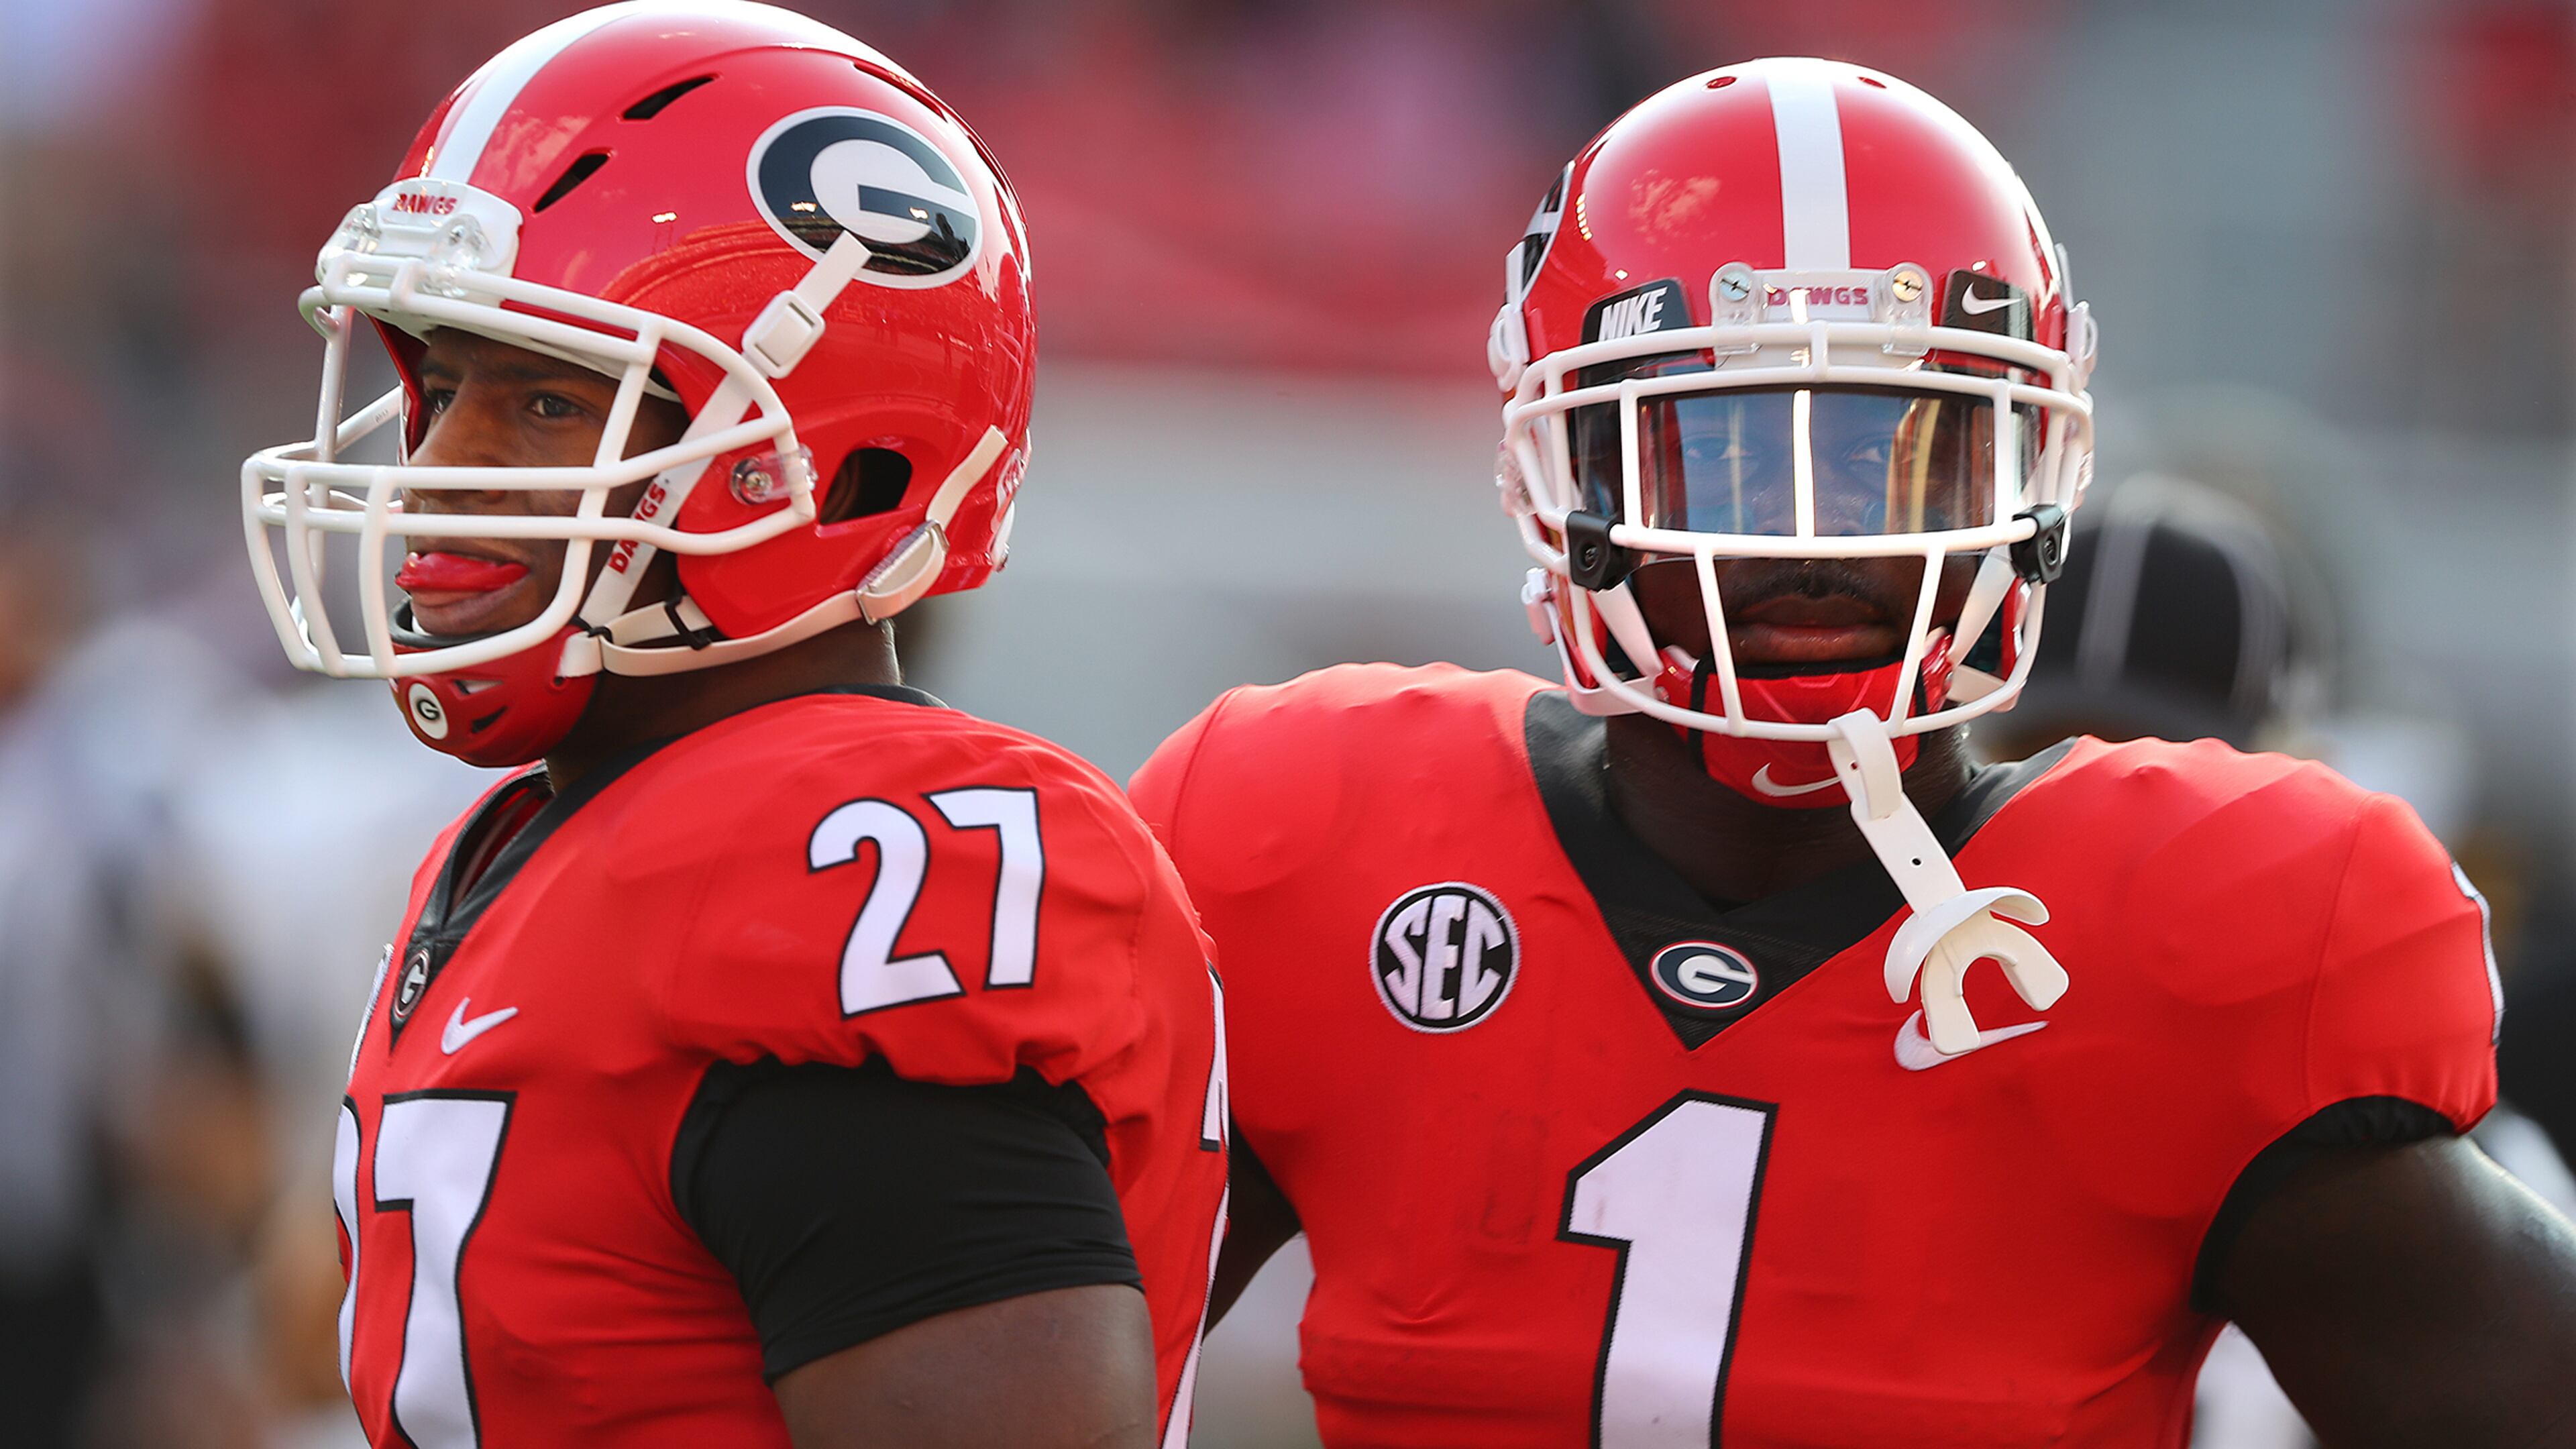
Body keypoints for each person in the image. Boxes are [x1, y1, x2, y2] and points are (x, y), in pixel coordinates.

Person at [1131, 58, 2576, 1448]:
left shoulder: (2218, 943)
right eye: (1729, 450)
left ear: (2034, 476)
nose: (1816, 546)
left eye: (1902, 449)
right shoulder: (1307, 846)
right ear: (1562, 476)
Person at [239, 5, 1226, 1446]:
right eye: (441, 389)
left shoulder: (839, 869)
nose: (440, 471)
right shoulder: (544, 830)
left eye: (542, 403)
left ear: (814, 458)